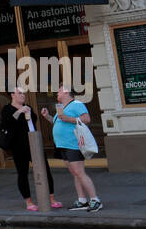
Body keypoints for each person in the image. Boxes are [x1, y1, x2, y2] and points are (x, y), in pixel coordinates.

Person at [41, 84, 102, 212]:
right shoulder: (62, 107)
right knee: (75, 173)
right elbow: (59, 123)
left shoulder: (77, 104)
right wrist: (48, 117)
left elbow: (86, 119)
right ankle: (82, 200)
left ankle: (95, 199)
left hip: (73, 144)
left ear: (66, 92)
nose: (57, 93)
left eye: (59, 91)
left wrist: (69, 119)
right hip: (63, 145)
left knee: (79, 172)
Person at [0, 88, 62, 211]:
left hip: (34, 143)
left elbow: (33, 121)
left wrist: (30, 112)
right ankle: (29, 202)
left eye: (23, 93)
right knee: (23, 173)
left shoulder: (28, 107)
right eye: (20, 93)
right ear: (12, 95)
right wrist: (19, 112)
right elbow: (7, 123)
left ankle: (52, 198)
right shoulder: (7, 109)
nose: (23, 95)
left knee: (45, 170)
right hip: (18, 146)